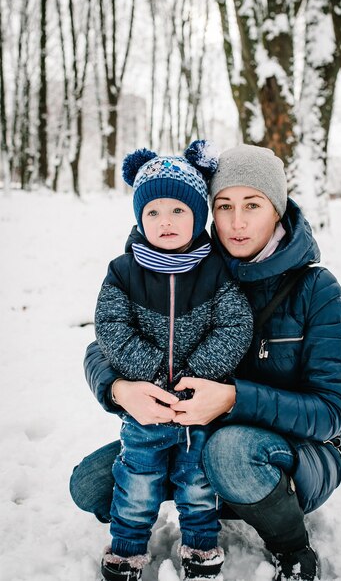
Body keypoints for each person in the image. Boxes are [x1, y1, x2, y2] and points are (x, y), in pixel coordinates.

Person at [70, 144, 341, 581]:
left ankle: (291, 546)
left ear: (277, 210)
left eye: (252, 205)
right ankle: (211, 493)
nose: (237, 222)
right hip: (191, 433)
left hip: (293, 452)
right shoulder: (187, 263)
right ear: (208, 211)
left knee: (230, 452)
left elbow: (330, 413)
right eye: (224, 206)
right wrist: (120, 389)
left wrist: (230, 400)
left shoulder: (317, 290)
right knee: (91, 483)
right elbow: (102, 343)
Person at [92, 140, 253, 581]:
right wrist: (147, 372)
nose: (165, 222)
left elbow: (235, 326)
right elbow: (109, 325)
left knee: (197, 481)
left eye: (178, 211)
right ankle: (126, 548)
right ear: (139, 219)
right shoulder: (123, 272)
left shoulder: (215, 271)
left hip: (195, 408)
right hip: (144, 412)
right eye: (153, 213)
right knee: (136, 482)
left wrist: (196, 374)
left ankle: (201, 546)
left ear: (199, 215)